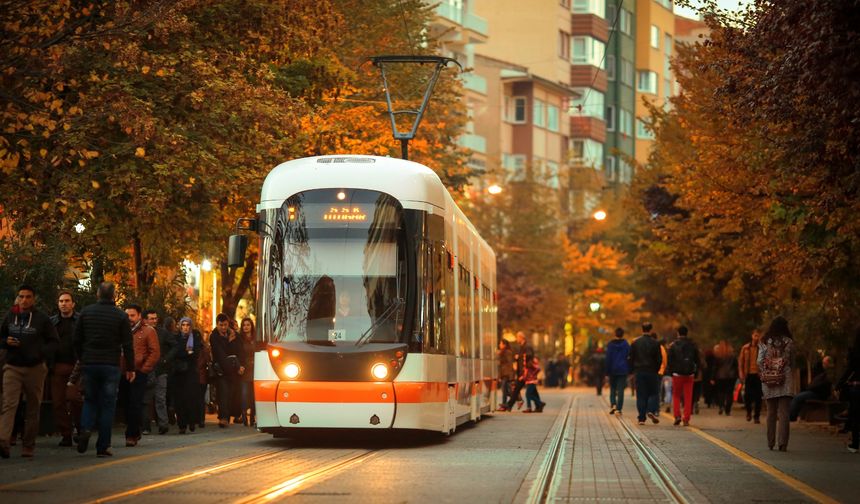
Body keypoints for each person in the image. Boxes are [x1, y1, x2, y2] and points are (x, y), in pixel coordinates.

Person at [74, 282, 134, 457]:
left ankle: (85, 429)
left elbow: (76, 339)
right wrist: (130, 367)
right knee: (108, 405)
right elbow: (128, 344)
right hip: (110, 364)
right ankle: (103, 445)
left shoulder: (86, 312)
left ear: (98, 294)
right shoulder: (120, 316)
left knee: (90, 400)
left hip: (90, 363)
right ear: (113, 296)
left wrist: (82, 357)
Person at [0, 285, 59, 459]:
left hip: (35, 368)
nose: (24, 300)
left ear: (33, 299)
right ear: (17, 298)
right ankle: (3, 441)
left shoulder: (42, 319)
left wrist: (40, 352)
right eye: (21, 296)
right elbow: (1, 337)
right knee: (9, 405)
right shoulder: (10, 316)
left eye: (28, 297)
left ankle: (28, 444)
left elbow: (54, 342)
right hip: (13, 367)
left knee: (33, 407)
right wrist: (6, 341)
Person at [120, 305, 159, 447]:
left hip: (139, 372)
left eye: (132, 315)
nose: (129, 318)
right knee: (125, 402)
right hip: (122, 372)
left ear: (139, 316)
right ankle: (135, 430)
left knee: (135, 402)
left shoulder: (148, 331)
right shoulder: (120, 330)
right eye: (127, 315)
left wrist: (143, 370)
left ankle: (131, 434)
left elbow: (154, 353)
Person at [50, 290, 82, 447]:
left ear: (73, 303)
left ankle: (80, 429)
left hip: (77, 365)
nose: (64, 303)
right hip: (57, 366)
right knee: (58, 402)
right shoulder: (52, 322)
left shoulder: (80, 320)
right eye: (61, 301)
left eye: (67, 300)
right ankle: (66, 434)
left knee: (75, 399)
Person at [757, 316, 795, 451]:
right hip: (785, 380)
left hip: (769, 380)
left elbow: (759, 361)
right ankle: (783, 444)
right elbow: (791, 362)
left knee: (771, 413)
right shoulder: (789, 342)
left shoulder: (764, 341)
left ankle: (770, 442)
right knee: (784, 413)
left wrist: (765, 372)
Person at [144, 310, 177, 435]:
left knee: (160, 398)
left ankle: (163, 424)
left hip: (160, 370)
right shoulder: (141, 332)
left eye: (155, 318)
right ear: (145, 320)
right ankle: (146, 426)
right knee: (146, 399)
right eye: (151, 318)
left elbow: (175, 346)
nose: (154, 321)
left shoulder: (163, 333)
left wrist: (166, 359)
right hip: (146, 369)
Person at [210, 314, 245, 428]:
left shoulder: (235, 335)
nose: (223, 328)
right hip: (222, 370)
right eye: (221, 325)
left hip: (235, 369)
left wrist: (242, 366)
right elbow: (219, 354)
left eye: (225, 325)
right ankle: (224, 417)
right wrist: (229, 343)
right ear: (217, 324)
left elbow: (241, 352)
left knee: (233, 394)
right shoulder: (214, 336)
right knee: (223, 393)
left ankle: (232, 415)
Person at [173, 317, 202, 434]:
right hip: (178, 373)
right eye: (183, 325)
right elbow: (176, 352)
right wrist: (187, 352)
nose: (185, 327)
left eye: (188, 325)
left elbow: (195, 355)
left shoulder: (194, 338)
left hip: (191, 372)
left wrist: (184, 353)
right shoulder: (175, 338)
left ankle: (191, 421)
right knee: (179, 399)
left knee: (190, 398)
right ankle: (182, 425)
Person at [629, 322, 662, 425]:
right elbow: (659, 359)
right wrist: (656, 370)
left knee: (641, 394)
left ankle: (641, 418)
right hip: (652, 371)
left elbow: (631, 358)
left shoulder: (635, 343)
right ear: (651, 330)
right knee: (653, 393)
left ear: (642, 329)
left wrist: (632, 370)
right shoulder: (656, 343)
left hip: (639, 371)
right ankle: (651, 410)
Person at [667, 325, 700, 426]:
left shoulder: (673, 345)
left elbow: (670, 360)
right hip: (689, 374)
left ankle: (677, 416)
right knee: (688, 396)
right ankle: (686, 419)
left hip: (677, 374)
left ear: (678, 333)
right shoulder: (693, 345)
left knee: (676, 395)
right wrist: (696, 372)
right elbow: (697, 360)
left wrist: (670, 372)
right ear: (687, 333)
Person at [500, 332, 541, 412]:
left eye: (517, 337)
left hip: (525, 372)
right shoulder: (522, 346)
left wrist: (519, 357)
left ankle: (510, 404)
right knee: (529, 390)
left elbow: (529, 356)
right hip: (523, 372)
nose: (516, 339)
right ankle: (539, 405)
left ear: (521, 337)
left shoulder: (527, 346)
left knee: (518, 389)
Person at [789, 356, 833, 421]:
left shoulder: (830, 373)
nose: (823, 364)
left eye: (824, 363)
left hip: (819, 394)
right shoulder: (822, 372)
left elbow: (824, 387)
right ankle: (792, 415)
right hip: (815, 392)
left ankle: (791, 417)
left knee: (798, 398)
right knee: (797, 397)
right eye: (823, 362)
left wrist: (812, 387)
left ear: (828, 363)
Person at [837, 328, 860, 453]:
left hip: (857, 387)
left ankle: (855, 444)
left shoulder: (855, 352)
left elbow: (849, 369)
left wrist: (840, 384)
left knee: (856, 416)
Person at [739, 329, 763, 423]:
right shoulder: (745, 348)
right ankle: (748, 412)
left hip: (758, 375)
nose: (756, 337)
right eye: (755, 335)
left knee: (758, 397)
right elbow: (741, 361)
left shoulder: (762, 348)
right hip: (748, 375)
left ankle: (756, 416)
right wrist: (741, 373)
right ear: (752, 336)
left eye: (758, 335)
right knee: (747, 396)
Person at [605, 327, 630, 416]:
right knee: (620, 390)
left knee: (612, 388)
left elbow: (608, 358)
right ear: (623, 334)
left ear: (615, 334)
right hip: (623, 369)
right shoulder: (626, 344)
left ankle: (613, 404)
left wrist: (607, 371)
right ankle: (619, 409)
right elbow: (629, 357)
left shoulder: (610, 345)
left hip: (612, 369)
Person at [237, 317, 255, 426]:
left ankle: (252, 417)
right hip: (244, 369)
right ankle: (244, 416)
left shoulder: (256, 338)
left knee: (254, 395)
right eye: (244, 325)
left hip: (256, 369)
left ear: (251, 326)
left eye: (248, 325)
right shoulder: (239, 339)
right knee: (244, 394)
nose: (246, 327)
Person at [712, 339, 738, 415]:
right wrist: (737, 375)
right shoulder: (732, 355)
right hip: (731, 376)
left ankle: (721, 406)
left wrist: (712, 377)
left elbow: (715, 367)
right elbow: (735, 366)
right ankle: (728, 409)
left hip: (720, 376)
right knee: (729, 393)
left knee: (721, 393)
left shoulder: (718, 355)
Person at [497, 339, 514, 410]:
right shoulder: (502, 352)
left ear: (504, 345)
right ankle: (515, 399)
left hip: (506, 373)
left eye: (500, 344)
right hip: (503, 373)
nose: (499, 345)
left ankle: (504, 404)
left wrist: (511, 375)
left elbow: (510, 364)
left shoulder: (507, 352)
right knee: (506, 389)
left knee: (504, 389)